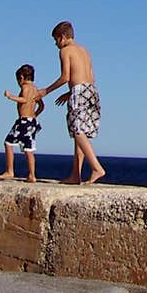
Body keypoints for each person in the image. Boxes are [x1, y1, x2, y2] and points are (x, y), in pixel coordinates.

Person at [38, 21, 105, 184]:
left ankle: (96, 167)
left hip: (79, 91)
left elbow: (65, 77)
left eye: (56, 40)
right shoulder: (84, 51)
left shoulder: (65, 51)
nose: (56, 45)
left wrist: (45, 91)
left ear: (62, 37)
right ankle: (76, 174)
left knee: (77, 131)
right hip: (91, 90)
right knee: (81, 132)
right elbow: (90, 76)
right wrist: (70, 92)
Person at [0, 64, 45, 182]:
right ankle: (32, 175)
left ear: (22, 78)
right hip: (32, 121)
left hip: (23, 121)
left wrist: (10, 97)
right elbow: (42, 106)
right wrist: (34, 114)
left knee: (8, 142)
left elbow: (24, 100)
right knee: (29, 149)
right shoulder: (35, 90)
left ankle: (9, 171)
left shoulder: (25, 88)